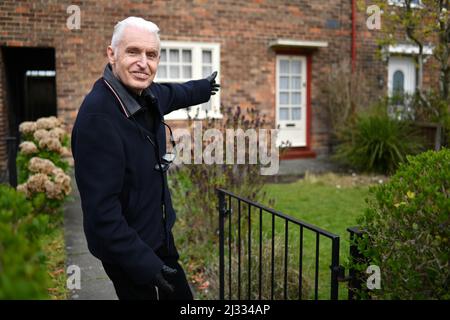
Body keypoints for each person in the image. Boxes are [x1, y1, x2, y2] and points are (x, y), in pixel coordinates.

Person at [71, 16, 220, 300]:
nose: (144, 62)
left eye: (151, 55)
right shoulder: (98, 119)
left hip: (158, 232)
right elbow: (102, 214)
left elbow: (173, 93)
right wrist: (145, 264)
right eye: (133, 52)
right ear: (111, 54)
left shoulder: (144, 93)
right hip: (125, 250)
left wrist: (202, 88)